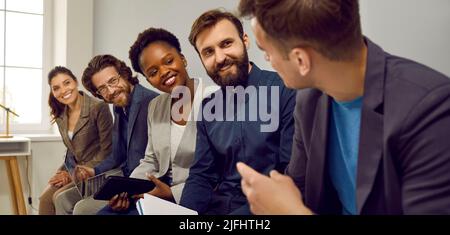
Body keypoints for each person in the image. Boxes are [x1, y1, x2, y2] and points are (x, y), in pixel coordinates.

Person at [237, 0, 450, 215]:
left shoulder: (431, 110)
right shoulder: (307, 102)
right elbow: (297, 190)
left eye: (266, 51)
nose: (267, 60)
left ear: (301, 60)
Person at [179, 9, 296, 215]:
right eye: (208, 52)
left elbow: (292, 175)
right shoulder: (208, 107)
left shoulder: (285, 90)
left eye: (226, 44)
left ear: (245, 41)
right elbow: (201, 175)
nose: (220, 58)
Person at [95, 27, 218, 214]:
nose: (164, 72)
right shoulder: (156, 106)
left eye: (169, 61)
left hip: (191, 197)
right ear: (148, 80)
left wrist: (171, 193)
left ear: (182, 59)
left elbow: (220, 172)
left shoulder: (215, 100)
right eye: (153, 72)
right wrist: (127, 189)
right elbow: (150, 159)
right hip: (153, 192)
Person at [62, 55, 158, 215]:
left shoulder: (151, 102)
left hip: (144, 186)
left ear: (125, 74)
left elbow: (158, 163)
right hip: (124, 181)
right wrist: (94, 171)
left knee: (82, 209)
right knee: (68, 199)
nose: (111, 91)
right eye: (103, 88)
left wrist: (126, 189)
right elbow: (118, 153)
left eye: (113, 81)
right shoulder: (119, 107)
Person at [39, 66, 112, 215]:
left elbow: (108, 150)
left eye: (67, 83)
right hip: (73, 171)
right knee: (44, 199)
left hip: (96, 173)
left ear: (75, 82)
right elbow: (72, 151)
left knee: (58, 198)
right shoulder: (61, 114)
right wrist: (62, 172)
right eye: (56, 88)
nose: (63, 90)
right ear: (53, 92)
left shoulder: (98, 107)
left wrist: (72, 175)